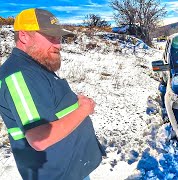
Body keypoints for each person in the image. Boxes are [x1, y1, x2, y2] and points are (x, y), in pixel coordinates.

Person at [0, 8, 105, 179]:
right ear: (24, 36)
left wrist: (73, 104)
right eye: (50, 37)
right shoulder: (18, 76)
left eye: (59, 37)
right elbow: (39, 138)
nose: (58, 44)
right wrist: (83, 109)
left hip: (71, 170)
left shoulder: (35, 66)